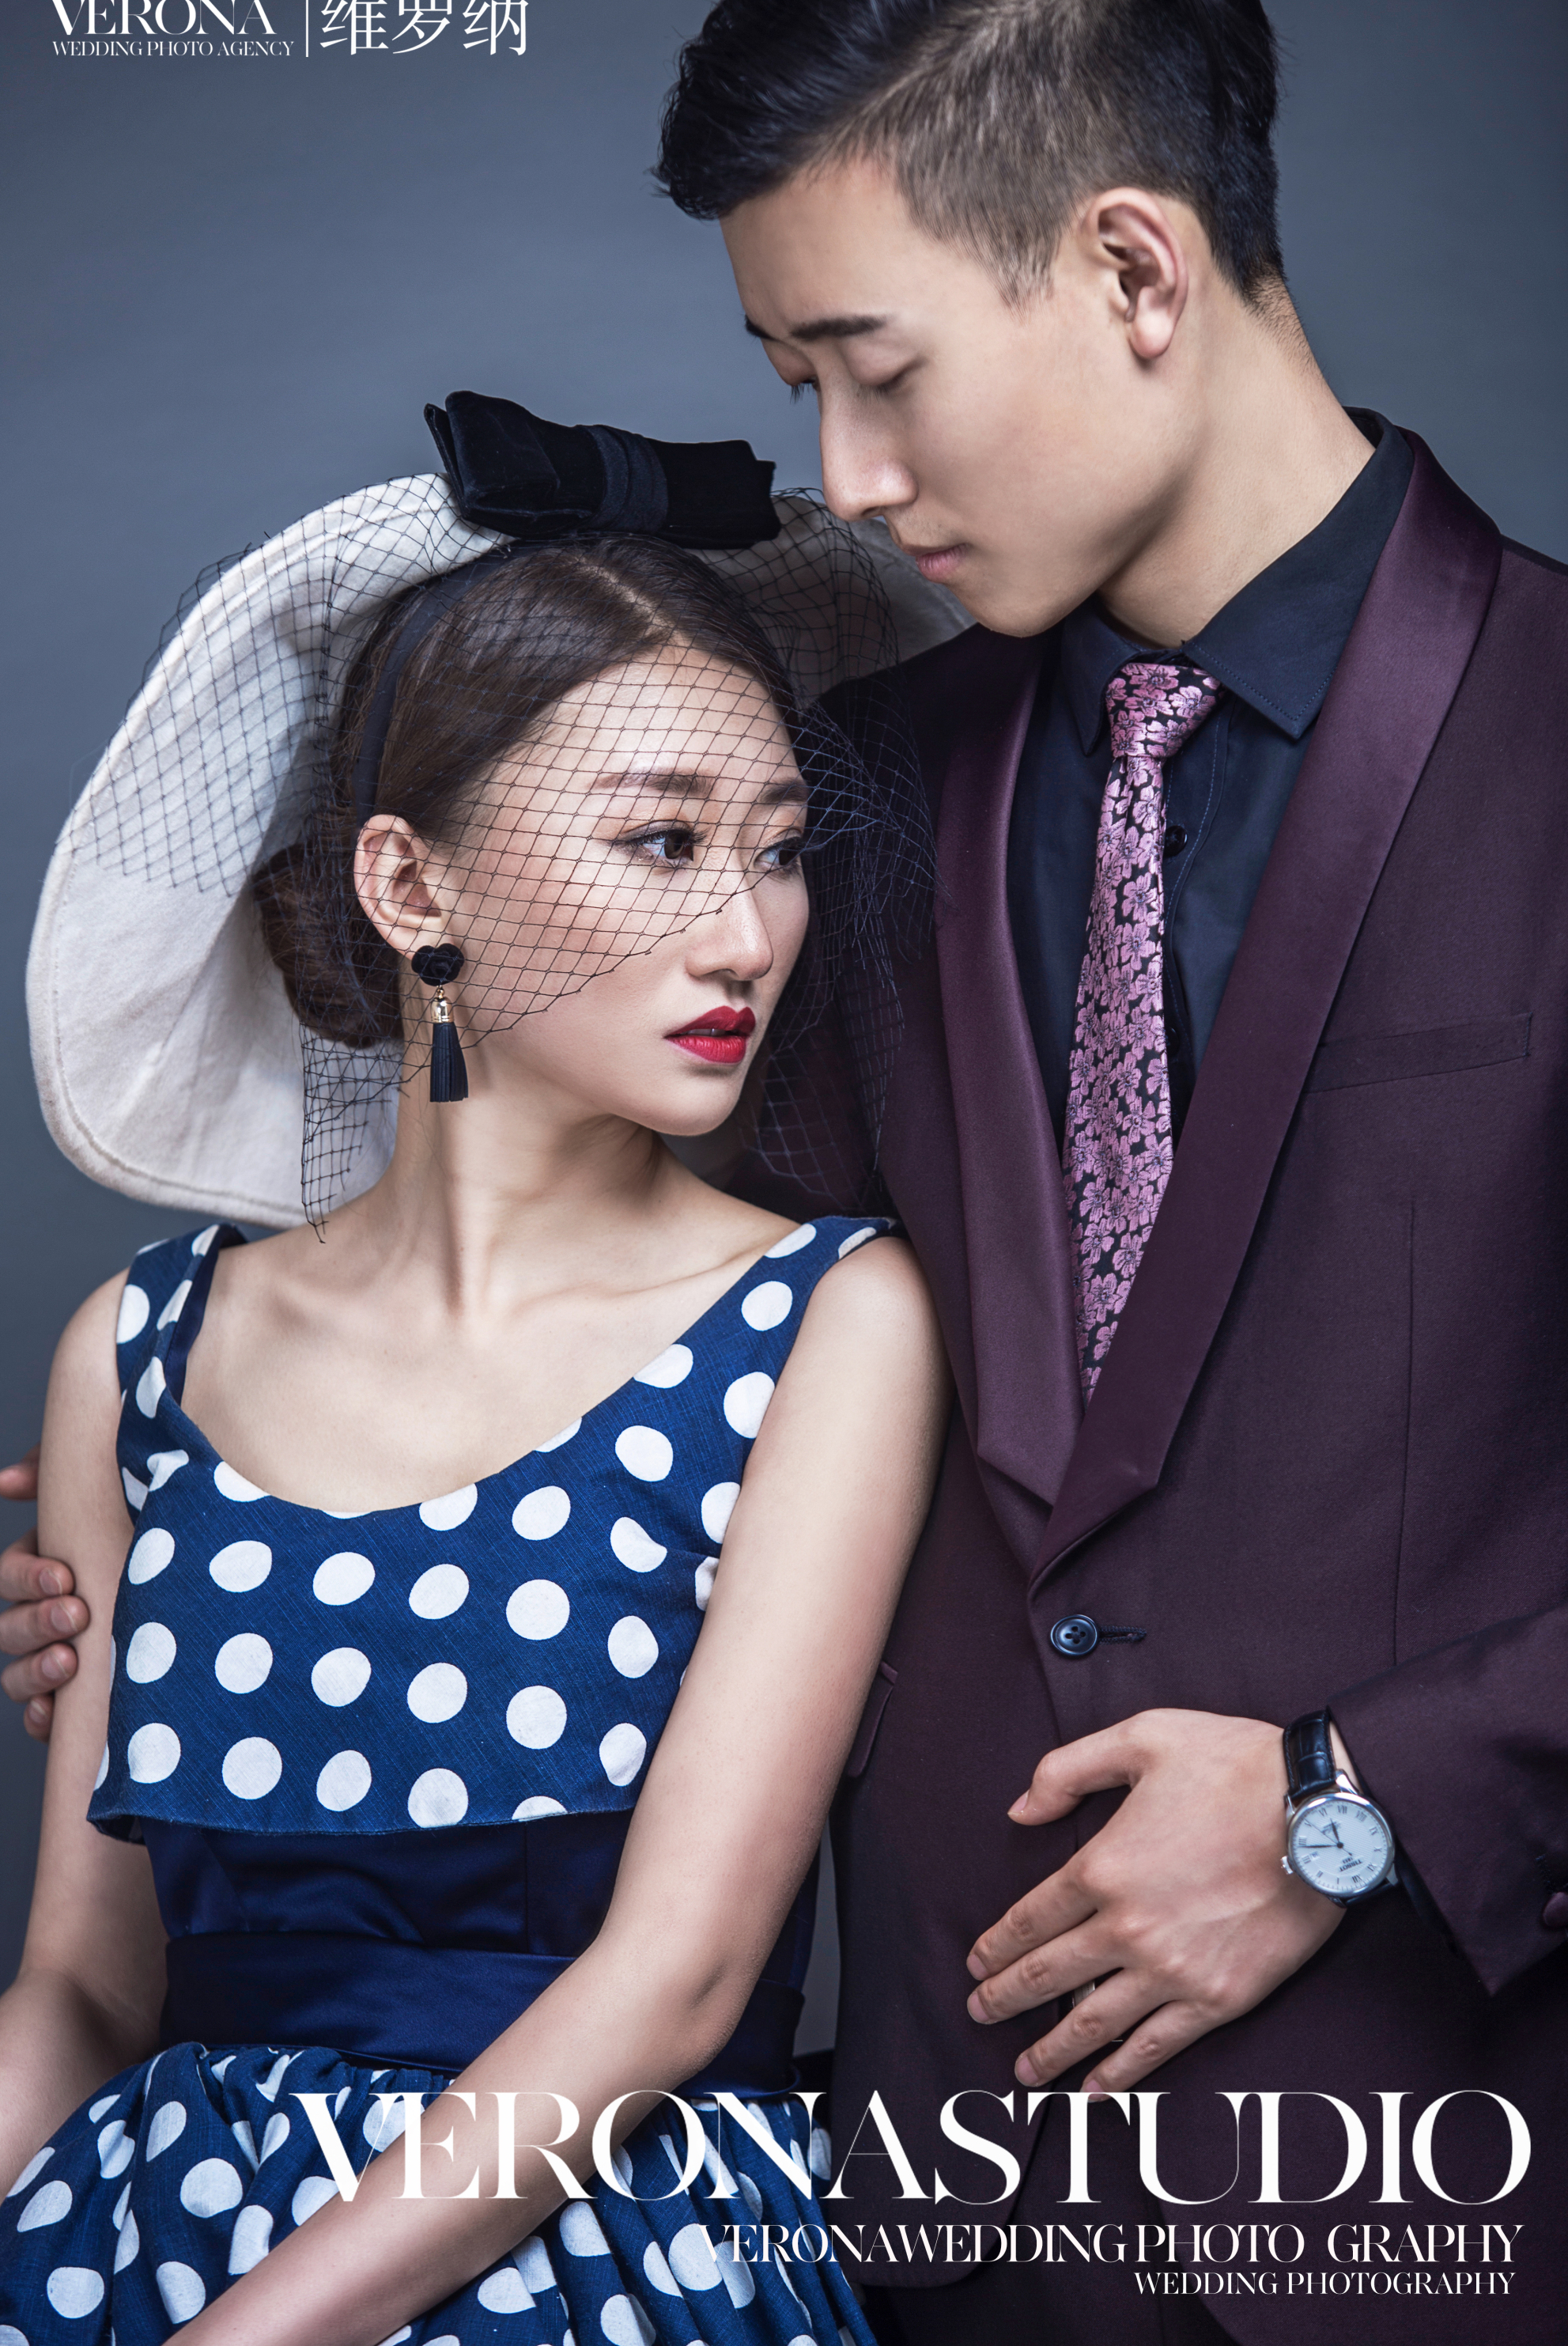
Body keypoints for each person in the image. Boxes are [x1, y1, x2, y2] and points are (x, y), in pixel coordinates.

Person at [646, 0, 1568, 2341]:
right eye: (794, 385)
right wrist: (218, 1526)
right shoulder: (837, 806)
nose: (844, 481)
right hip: (949, 2205)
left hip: (1458, 2184)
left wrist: (1357, 1805)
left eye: (877, 375)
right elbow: (670, 1373)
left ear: (1137, 270)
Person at [0, 438, 950, 2344]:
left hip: (599, 2256)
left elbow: (674, 1982)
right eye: (662, 840)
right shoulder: (140, 1350)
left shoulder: (823, 1320)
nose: (747, 929)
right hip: (134, 2246)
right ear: (409, 878)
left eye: (777, 846)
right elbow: (86, 1988)